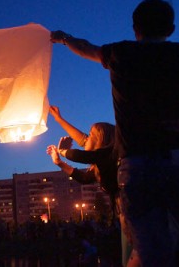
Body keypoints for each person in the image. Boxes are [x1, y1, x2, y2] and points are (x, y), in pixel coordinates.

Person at [50, 0, 179, 266]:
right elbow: (87, 145)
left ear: (135, 28)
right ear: (172, 29)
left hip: (137, 169)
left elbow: (85, 48)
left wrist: (63, 38)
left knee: (151, 254)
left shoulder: (122, 54)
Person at [46, 105, 132, 266]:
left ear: (102, 141)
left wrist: (63, 151)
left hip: (136, 210)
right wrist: (59, 162)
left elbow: (81, 154)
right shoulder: (102, 163)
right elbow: (84, 177)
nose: (86, 138)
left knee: (138, 255)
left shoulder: (109, 154)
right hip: (125, 212)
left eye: (92, 135)